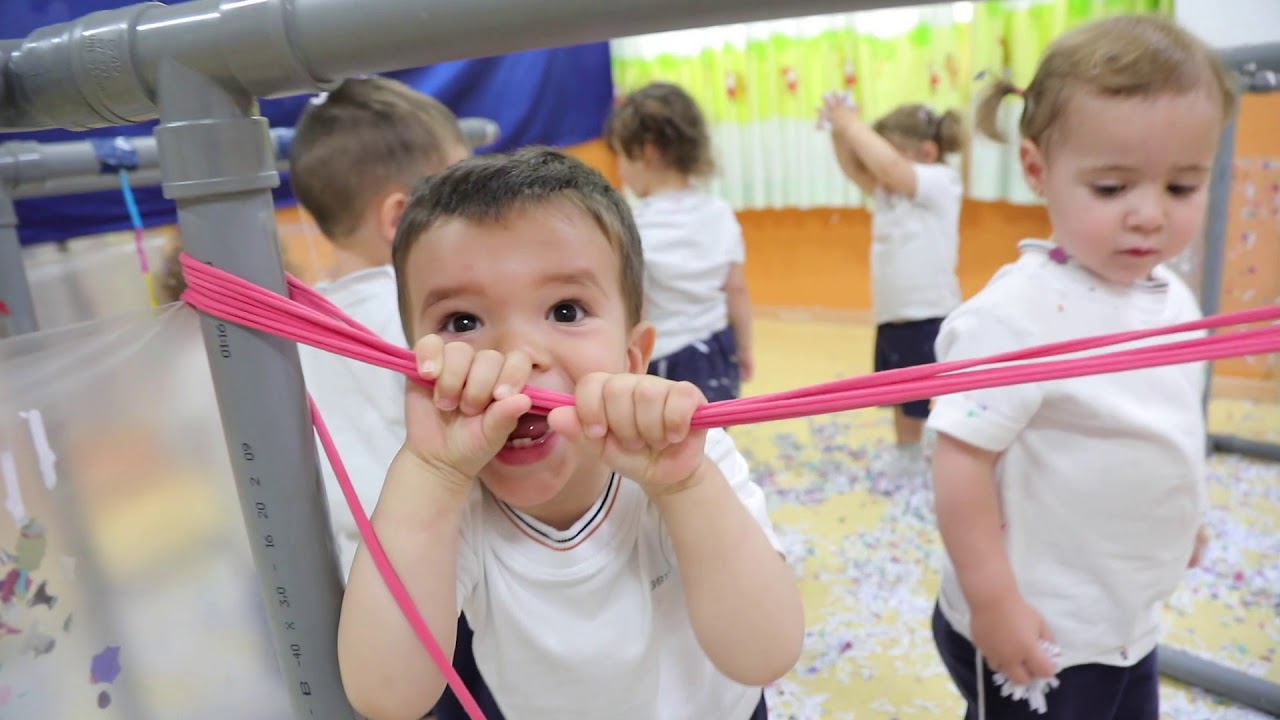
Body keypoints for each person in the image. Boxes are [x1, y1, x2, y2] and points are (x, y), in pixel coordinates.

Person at [337, 147, 805, 720]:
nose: (518, 356)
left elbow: (765, 655)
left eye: (564, 310)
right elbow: (385, 696)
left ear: (633, 359)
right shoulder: (445, 503)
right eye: (462, 323)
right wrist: (431, 472)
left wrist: (685, 490)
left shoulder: (692, 463)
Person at [925, 14, 1235, 720]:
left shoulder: (1174, 298)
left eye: (1182, 188)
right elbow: (960, 462)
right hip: (1042, 621)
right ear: (1039, 170)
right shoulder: (1014, 316)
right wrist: (993, 600)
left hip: (1126, 612)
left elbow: (1166, 420)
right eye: (1112, 188)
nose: (1150, 216)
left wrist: (1182, 515)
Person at [286, 75, 490, 720]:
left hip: (361, 593)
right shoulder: (420, 320)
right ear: (402, 218)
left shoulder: (301, 323)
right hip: (451, 589)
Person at [822, 94, 966, 480]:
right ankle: (907, 452)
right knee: (902, 390)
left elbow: (889, 166)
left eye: (892, 154)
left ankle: (939, 449)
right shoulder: (888, 191)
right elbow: (856, 168)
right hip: (894, 312)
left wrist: (853, 123)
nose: (879, 167)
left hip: (928, 310)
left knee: (927, 391)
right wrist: (840, 132)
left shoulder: (940, 181)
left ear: (927, 152)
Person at [606, 82, 754, 402]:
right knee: (715, 436)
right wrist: (744, 348)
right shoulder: (720, 213)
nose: (620, 169)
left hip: (666, 360)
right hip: (718, 351)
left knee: (667, 441)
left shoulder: (635, 225)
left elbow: (638, 306)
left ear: (646, 152)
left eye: (621, 156)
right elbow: (737, 290)